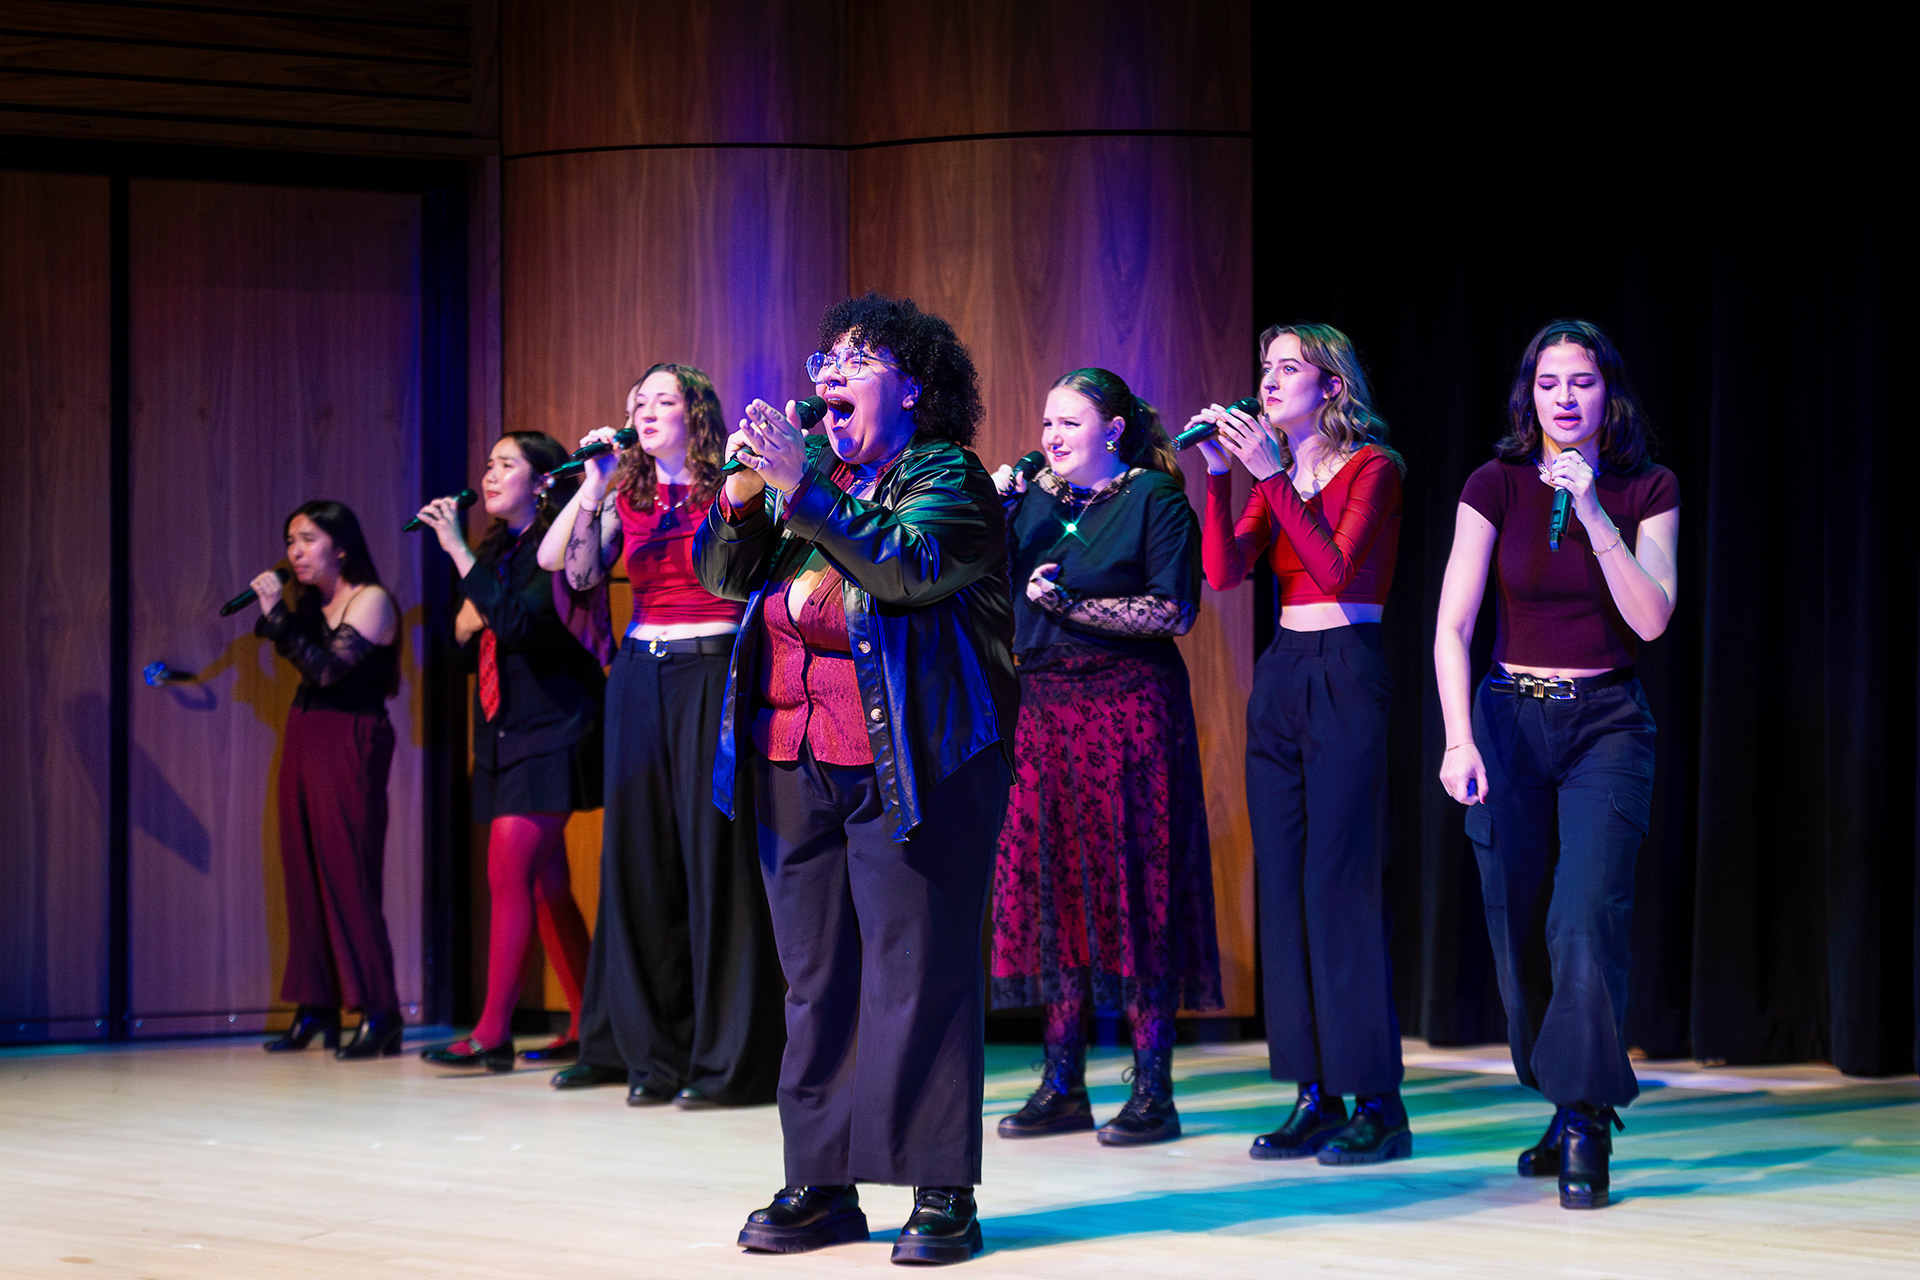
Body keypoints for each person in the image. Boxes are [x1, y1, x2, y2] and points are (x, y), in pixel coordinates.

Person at [695, 293, 1017, 1266]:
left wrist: (805, 490)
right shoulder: (812, 482)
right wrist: (744, 492)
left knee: (919, 973)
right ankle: (821, 1181)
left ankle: (940, 1187)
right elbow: (722, 575)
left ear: (912, 388)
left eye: (858, 360)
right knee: (815, 979)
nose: (829, 374)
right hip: (793, 760)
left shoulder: (949, 478)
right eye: (825, 360)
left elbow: (906, 569)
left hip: (912, 762)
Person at [1434, 319, 1678, 1210]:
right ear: (1527, 395)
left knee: (1585, 917)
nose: (1565, 398)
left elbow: (1651, 619)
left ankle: (1583, 1121)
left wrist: (1597, 512)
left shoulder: (1648, 487)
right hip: (1507, 720)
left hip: (1606, 723)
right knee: (1516, 927)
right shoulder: (1492, 484)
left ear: (1609, 391)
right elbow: (1453, 625)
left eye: (1582, 381)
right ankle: (1564, 1092)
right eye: (1548, 383)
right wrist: (1457, 738)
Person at [1190, 323, 1411, 1164]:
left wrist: (1271, 477)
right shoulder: (1272, 475)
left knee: (1336, 883)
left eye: (1289, 368)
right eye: (1266, 368)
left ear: (1332, 386)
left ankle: (1379, 1101)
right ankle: (1313, 1091)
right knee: (1281, 883)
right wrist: (1220, 477)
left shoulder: (1372, 467)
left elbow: (1335, 569)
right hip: (1283, 671)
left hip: (1347, 668)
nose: (1270, 382)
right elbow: (1223, 573)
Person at [535, 365, 785, 1107]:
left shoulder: (732, 483)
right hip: (641, 676)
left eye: (663, 400)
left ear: (695, 413)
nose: (646, 411)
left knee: (714, 858)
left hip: (712, 670)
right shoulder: (628, 494)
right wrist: (592, 485)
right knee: (640, 858)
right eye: (637, 401)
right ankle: (651, 1055)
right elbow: (567, 568)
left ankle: (727, 1061)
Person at [987, 367, 1221, 1147]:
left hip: (1128, 709)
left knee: (1137, 883)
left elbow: (1172, 609)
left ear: (1113, 430)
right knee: (1056, 886)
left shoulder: (1155, 498)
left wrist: (1071, 606)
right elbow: (989, 595)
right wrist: (993, 513)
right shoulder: (1030, 501)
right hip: (1043, 707)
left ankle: (1153, 1090)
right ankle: (1062, 1083)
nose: (1050, 436)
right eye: (1047, 422)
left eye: (1070, 422)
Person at [413, 432, 604, 1072]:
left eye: (505, 465)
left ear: (542, 481)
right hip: (503, 730)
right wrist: (475, 609)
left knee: (510, 875)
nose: (489, 476)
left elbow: (521, 625)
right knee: (547, 886)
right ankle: (587, 1023)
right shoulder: (497, 549)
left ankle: (492, 1033)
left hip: (553, 730)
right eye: (488, 464)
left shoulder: (555, 546)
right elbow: (465, 644)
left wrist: (457, 553)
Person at [252, 501, 404, 1059]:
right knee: (303, 872)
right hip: (306, 733)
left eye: (308, 539)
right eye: (290, 541)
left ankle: (380, 1011)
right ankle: (316, 1005)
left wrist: (277, 616)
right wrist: (284, 616)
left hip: (350, 737)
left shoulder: (371, 600)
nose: (295, 552)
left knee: (347, 874)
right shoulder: (312, 605)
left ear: (340, 546)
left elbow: (328, 669)